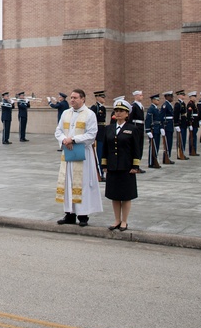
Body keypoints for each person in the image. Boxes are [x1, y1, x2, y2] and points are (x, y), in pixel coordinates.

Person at [54, 89, 102, 226]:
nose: (72, 100)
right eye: (71, 97)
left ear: (83, 99)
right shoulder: (66, 113)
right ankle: (69, 214)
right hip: (68, 153)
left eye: (75, 97)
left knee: (82, 183)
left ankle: (83, 215)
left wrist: (73, 140)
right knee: (68, 183)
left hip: (82, 154)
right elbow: (58, 131)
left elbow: (91, 134)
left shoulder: (89, 114)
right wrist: (64, 140)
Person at [102, 99, 143, 231]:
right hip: (112, 167)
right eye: (116, 111)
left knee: (126, 195)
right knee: (114, 195)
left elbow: (137, 149)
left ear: (127, 114)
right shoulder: (109, 128)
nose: (118, 113)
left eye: (121, 111)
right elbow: (105, 148)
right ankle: (116, 220)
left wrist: (135, 166)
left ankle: (124, 220)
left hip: (126, 167)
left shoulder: (132, 129)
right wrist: (104, 164)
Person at [90, 91, 108, 178]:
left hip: (102, 132)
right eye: (102, 97)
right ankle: (98, 173)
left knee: (102, 153)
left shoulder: (102, 108)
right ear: (97, 97)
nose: (103, 99)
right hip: (97, 133)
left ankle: (101, 172)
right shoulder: (95, 108)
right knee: (98, 153)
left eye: (104, 97)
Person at [145, 93, 163, 169]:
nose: (158, 101)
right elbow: (148, 120)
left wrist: (161, 127)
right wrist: (148, 130)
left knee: (156, 146)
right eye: (156, 100)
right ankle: (151, 162)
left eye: (158, 100)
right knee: (152, 146)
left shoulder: (156, 108)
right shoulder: (151, 108)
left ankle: (154, 160)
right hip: (153, 129)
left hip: (157, 129)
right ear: (153, 100)